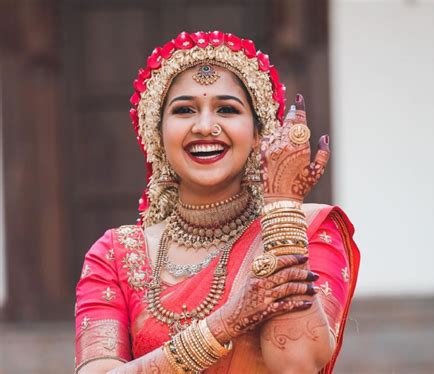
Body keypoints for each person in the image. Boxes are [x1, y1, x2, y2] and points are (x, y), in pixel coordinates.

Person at [75, 31, 360, 374]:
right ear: (158, 134)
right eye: (184, 110)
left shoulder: (311, 229)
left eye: (227, 109)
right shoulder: (114, 255)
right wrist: (225, 323)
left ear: (258, 134)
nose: (206, 126)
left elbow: (296, 364)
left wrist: (282, 205)